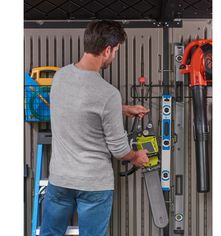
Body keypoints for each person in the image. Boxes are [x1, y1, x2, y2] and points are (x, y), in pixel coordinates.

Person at [40, 20, 149, 236]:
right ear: (107, 50)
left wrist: (123, 109)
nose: (114, 56)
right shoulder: (107, 93)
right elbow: (119, 150)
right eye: (116, 51)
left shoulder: (60, 77)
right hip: (94, 185)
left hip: (60, 179)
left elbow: (77, 105)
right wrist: (136, 156)